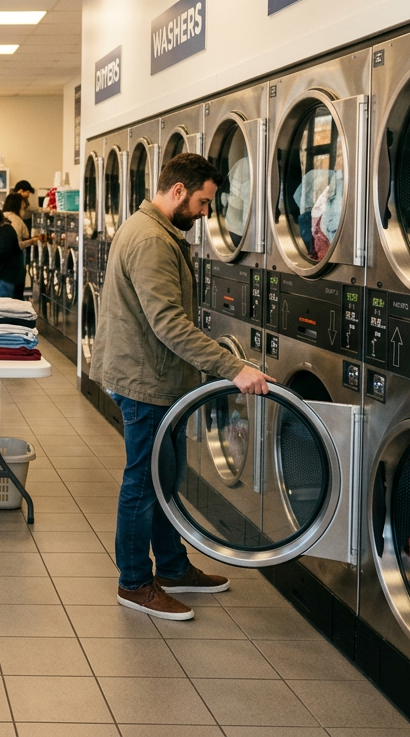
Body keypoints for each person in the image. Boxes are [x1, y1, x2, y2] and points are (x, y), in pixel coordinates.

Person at [91, 153, 274, 621]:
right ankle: (134, 582)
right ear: (177, 192)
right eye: (202, 202)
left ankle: (171, 567)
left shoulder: (147, 227)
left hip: (149, 375)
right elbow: (169, 324)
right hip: (146, 382)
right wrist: (232, 368)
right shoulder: (152, 240)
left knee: (162, 478)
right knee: (143, 483)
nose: (206, 213)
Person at [2, 192, 39, 298]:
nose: (24, 209)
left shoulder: (2, 216)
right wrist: (32, 241)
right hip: (14, 264)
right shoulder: (16, 220)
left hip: (1, 265)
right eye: (23, 206)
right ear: (18, 205)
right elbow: (16, 244)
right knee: (15, 297)